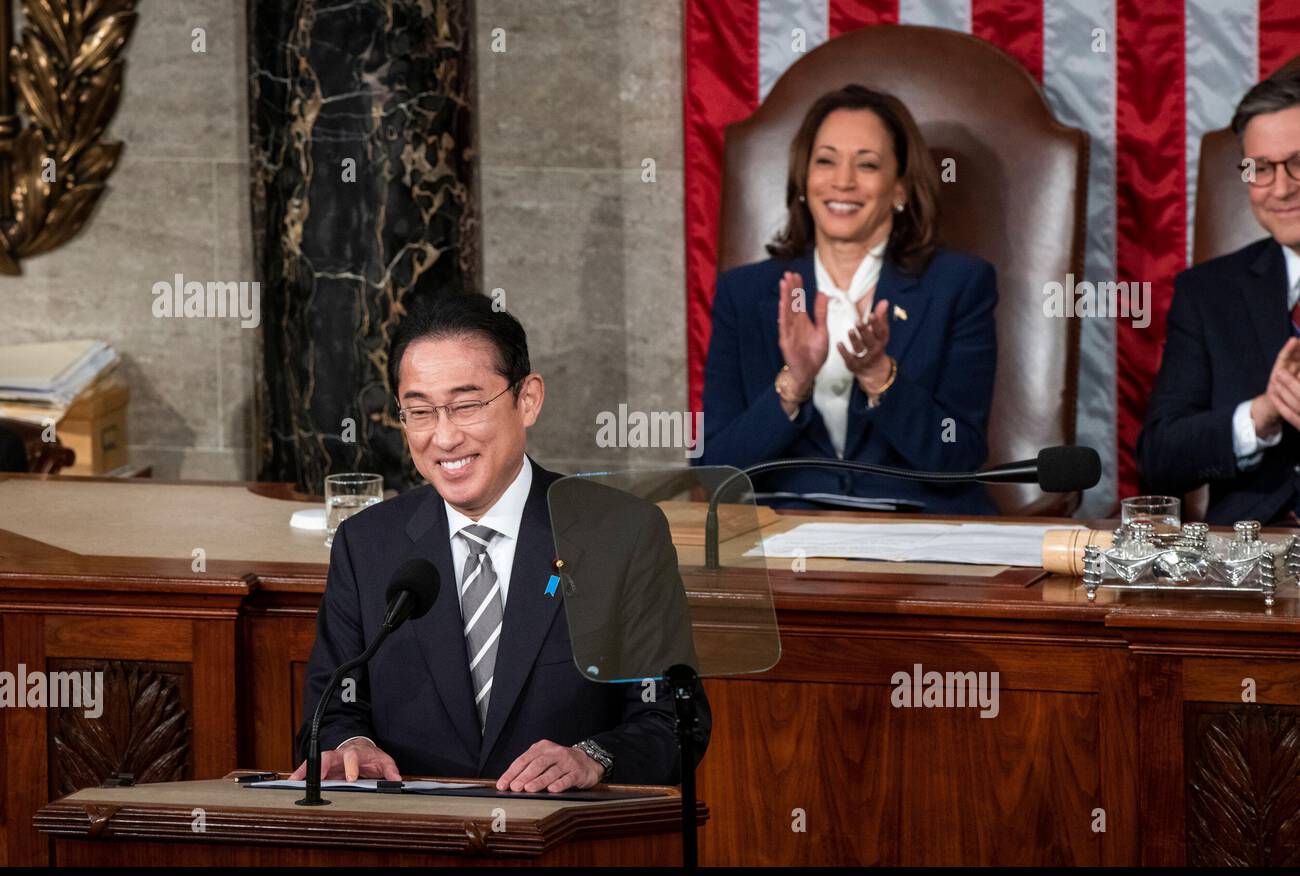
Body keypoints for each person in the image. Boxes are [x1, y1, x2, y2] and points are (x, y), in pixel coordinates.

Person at [293, 290, 709, 791]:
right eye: (420, 412)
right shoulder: (367, 545)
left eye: (466, 405)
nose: (444, 438)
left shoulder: (620, 533)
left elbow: (672, 722)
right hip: (418, 838)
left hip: (566, 841)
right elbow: (334, 711)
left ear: (527, 399)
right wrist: (348, 747)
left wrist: (593, 759)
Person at [698, 84, 998, 514]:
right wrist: (793, 384)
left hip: (919, 533)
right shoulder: (744, 294)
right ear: (804, 180)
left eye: (868, 165)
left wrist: (880, 377)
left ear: (900, 189)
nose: (842, 181)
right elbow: (716, 469)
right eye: (825, 161)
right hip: (784, 532)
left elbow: (958, 455)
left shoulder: (959, 286)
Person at [1139, 71, 1300, 525]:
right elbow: (1159, 459)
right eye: (1261, 168)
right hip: (1251, 555)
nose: (1282, 188)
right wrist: (1260, 417)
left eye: (1299, 162)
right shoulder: (1209, 292)